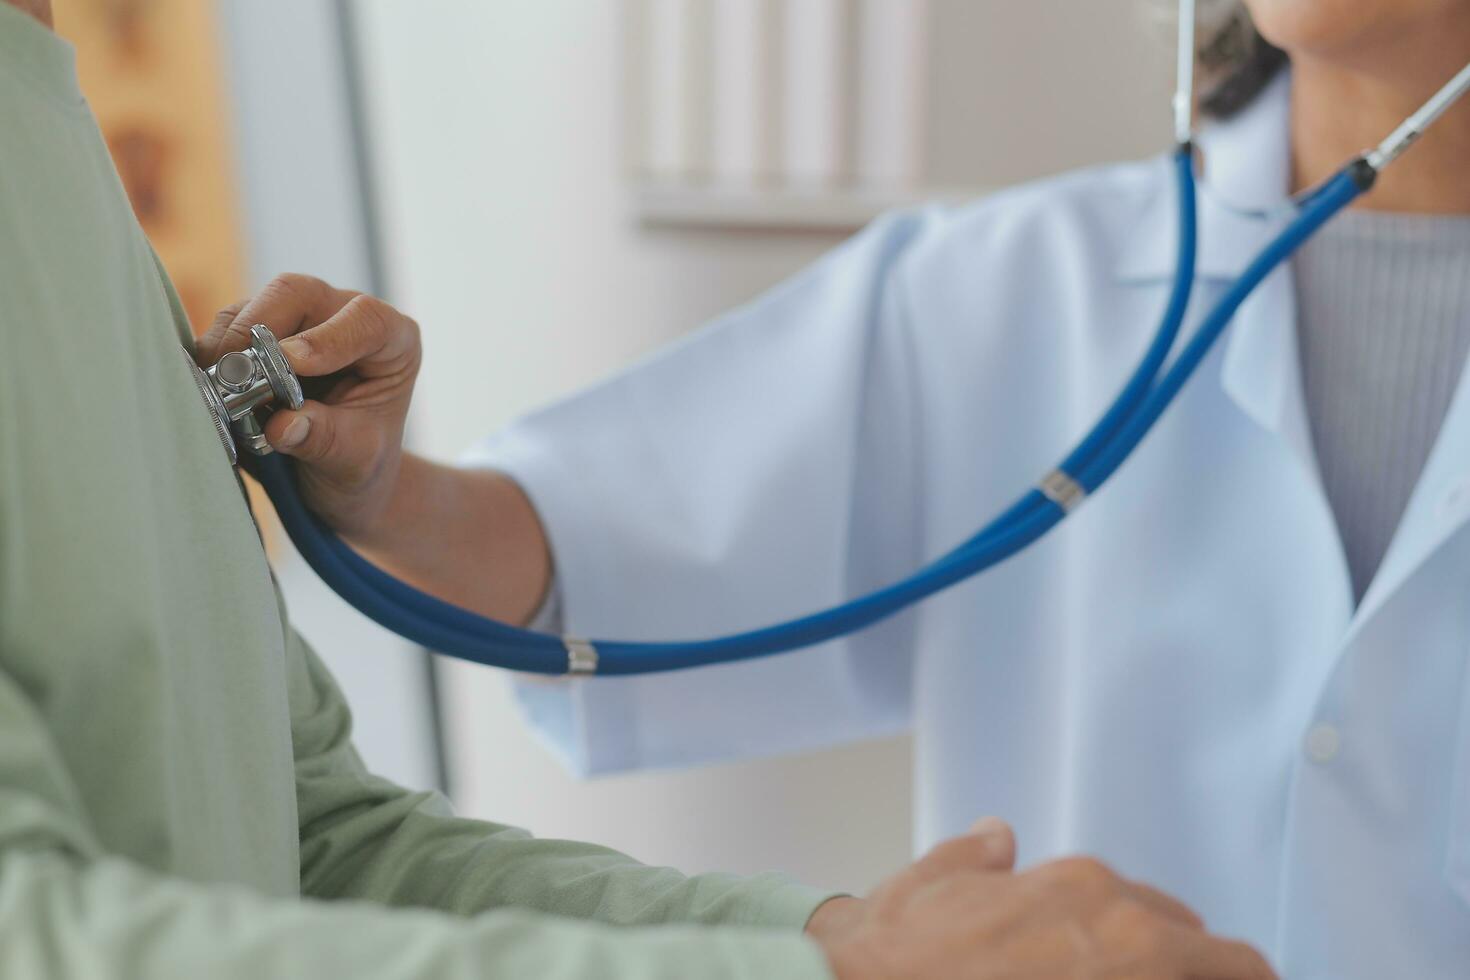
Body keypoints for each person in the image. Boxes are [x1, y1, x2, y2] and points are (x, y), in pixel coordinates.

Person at [0, 2, 1284, 978]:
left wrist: (843, 940)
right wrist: (823, 963)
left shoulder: (61, 141)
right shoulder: (1014, 284)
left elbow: (316, 841)